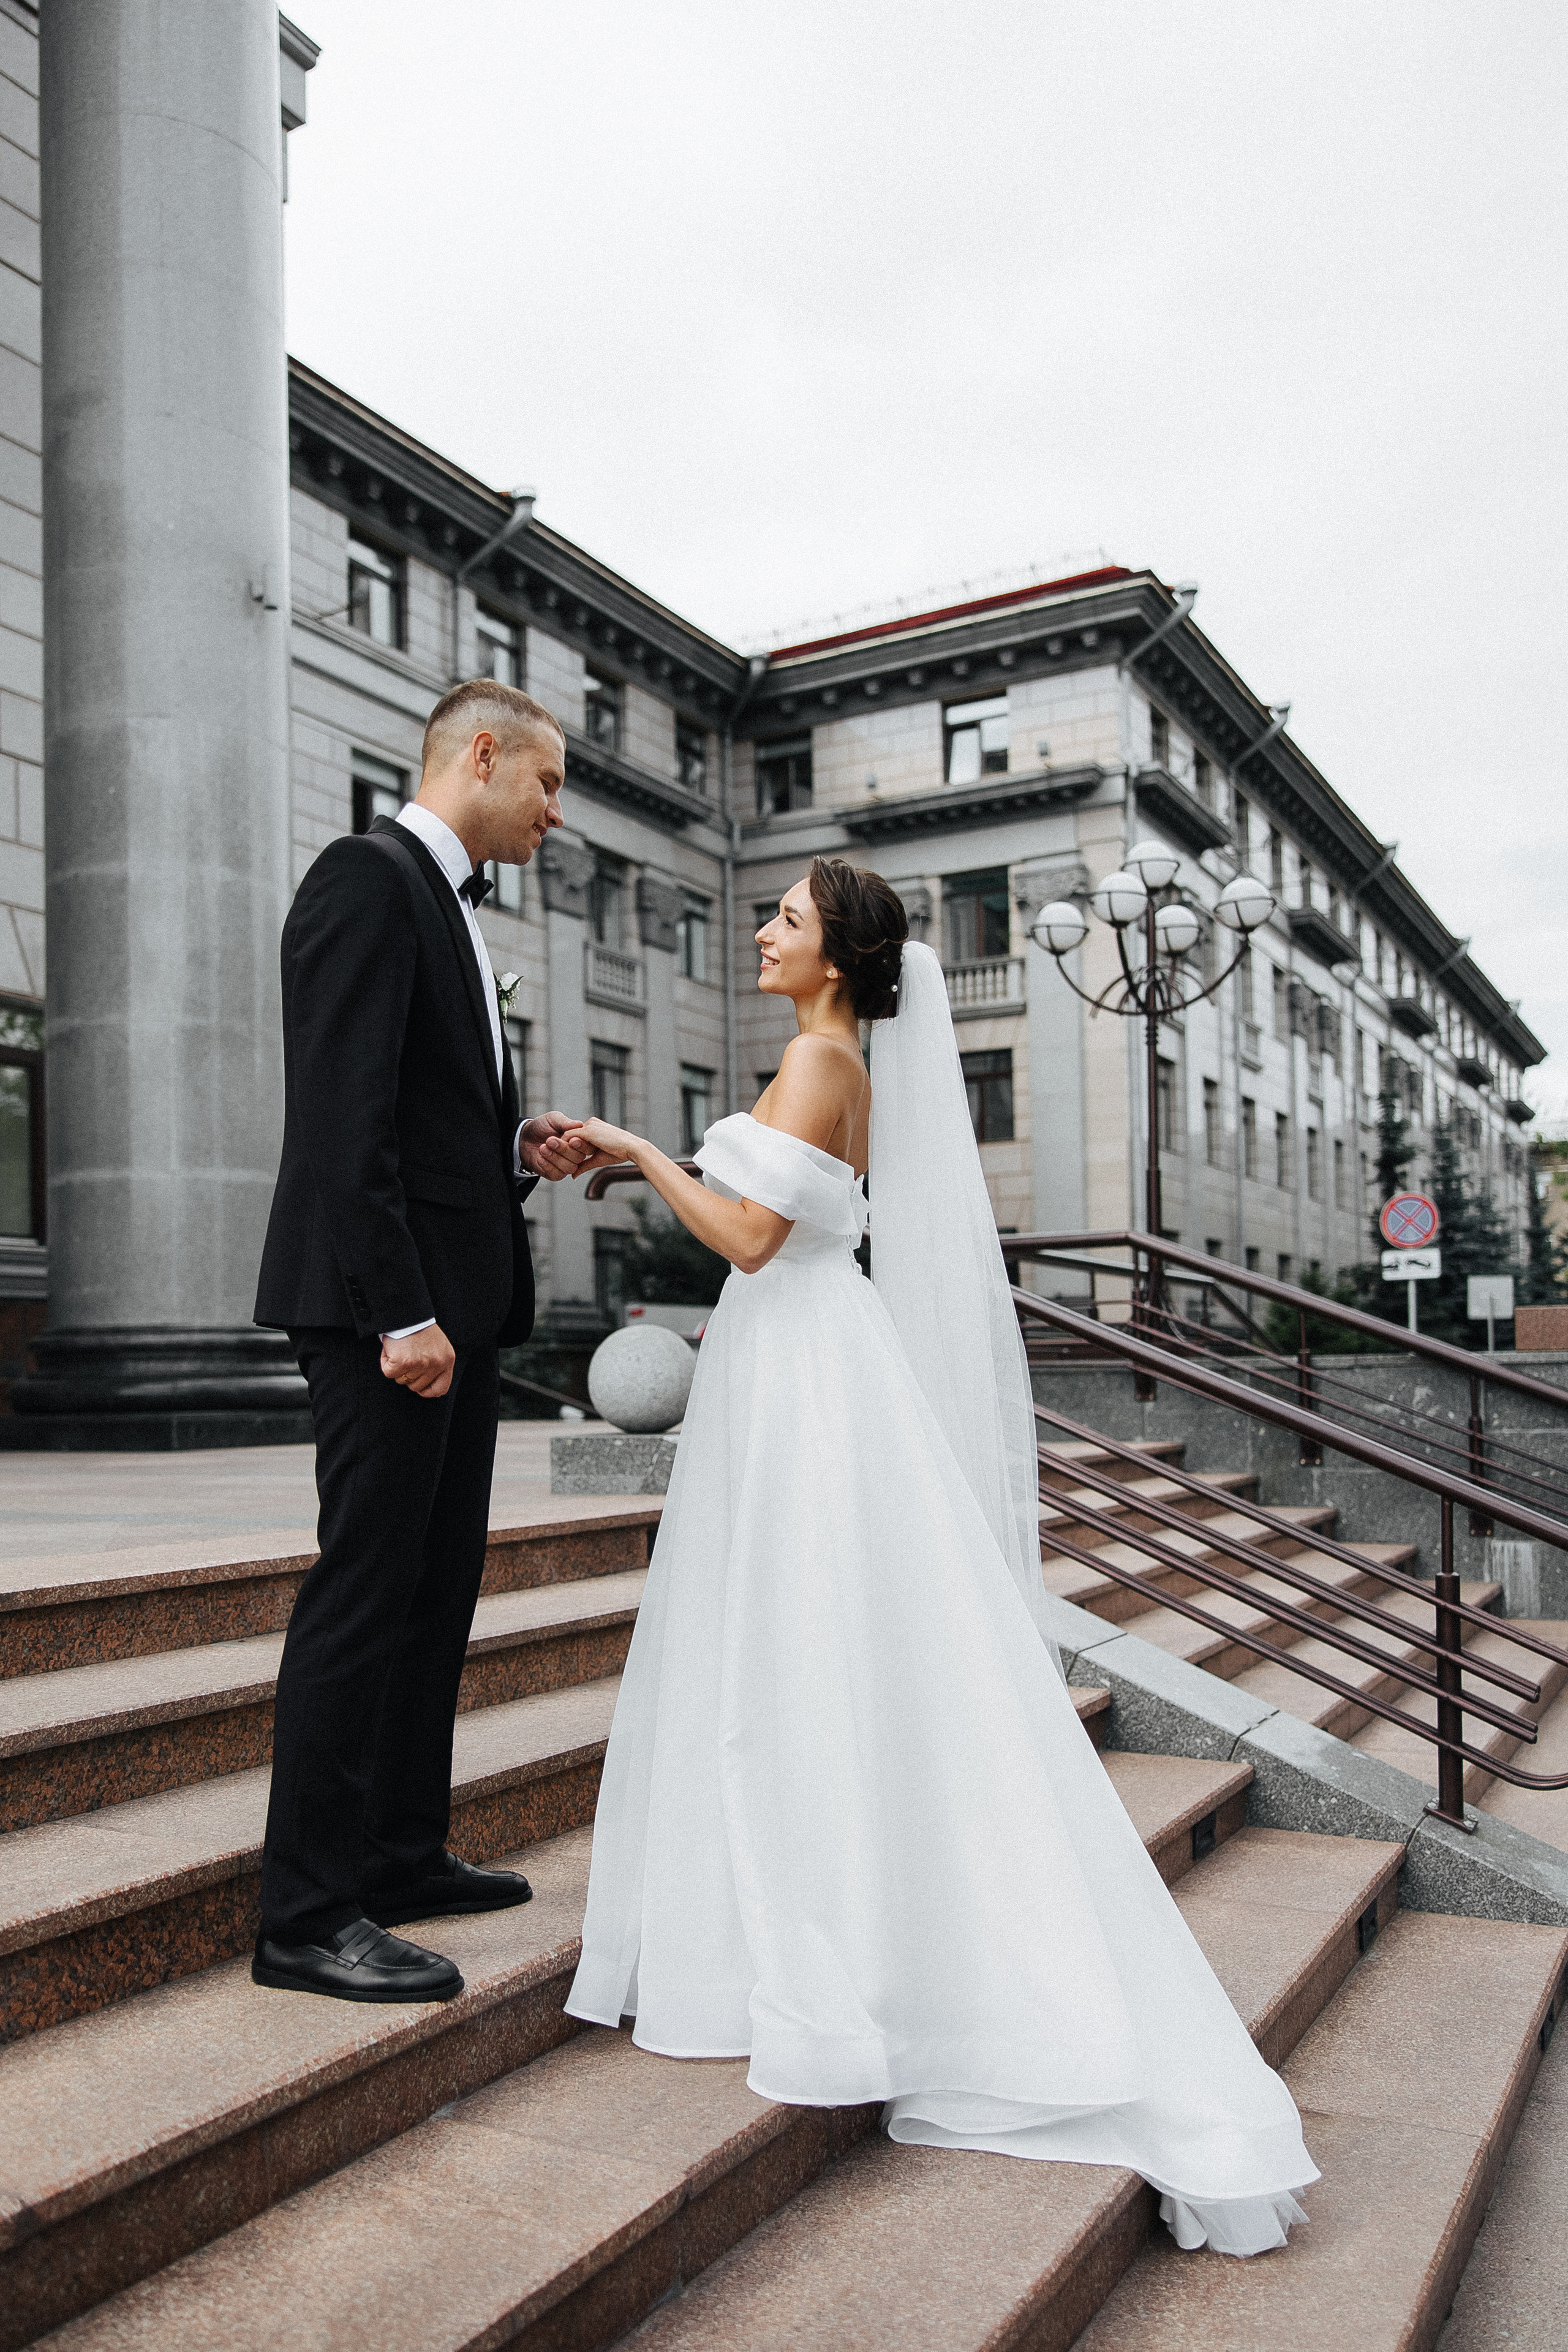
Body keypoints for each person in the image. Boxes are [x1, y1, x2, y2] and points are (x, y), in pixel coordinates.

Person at [559, 854, 1317, 2256]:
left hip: (795, 1376)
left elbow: (744, 1238)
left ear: (835, 955)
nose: (760, 929)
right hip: (807, 1366)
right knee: (806, 1648)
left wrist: (635, 1146)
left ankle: (819, 1945)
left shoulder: (815, 1060)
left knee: (777, 1651)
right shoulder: (833, 1061)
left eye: (782, 916)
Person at [251, 679, 594, 2005]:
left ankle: (398, 1854)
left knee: (436, 1592)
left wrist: (513, 1144)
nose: (554, 816)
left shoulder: (445, 905)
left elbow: (418, 1106)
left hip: (456, 1307)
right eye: (548, 786)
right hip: (384, 1318)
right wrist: (399, 1313)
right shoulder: (365, 879)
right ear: (485, 755)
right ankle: (306, 1916)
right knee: (365, 1595)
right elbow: (344, 1121)